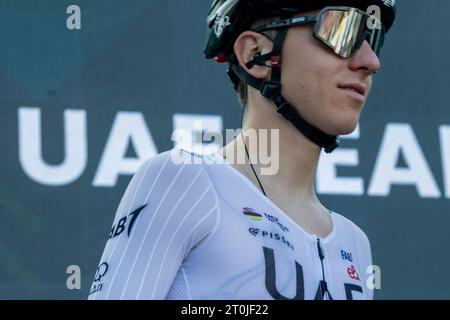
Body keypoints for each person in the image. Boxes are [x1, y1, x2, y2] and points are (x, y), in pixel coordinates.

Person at [88, 0, 396, 300]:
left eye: (372, 38)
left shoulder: (354, 243)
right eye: (343, 29)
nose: (370, 62)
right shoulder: (184, 179)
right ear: (254, 55)